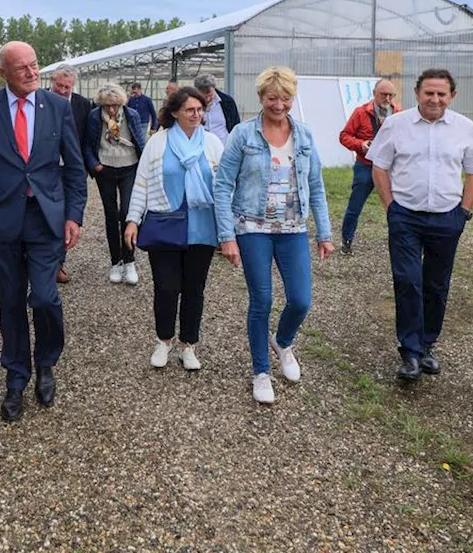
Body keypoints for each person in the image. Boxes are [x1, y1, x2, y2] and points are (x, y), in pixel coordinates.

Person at [0, 42, 87, 423]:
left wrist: (73, 216)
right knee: (10, 302)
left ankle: (46, 362)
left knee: (45, 297)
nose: (31, 73)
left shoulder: (57, 107)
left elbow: (74, 169)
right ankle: (16, 377)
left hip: (46, 220)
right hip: (1, 222)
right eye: (22, 68)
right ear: (3, 73)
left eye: (34, 65)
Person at [215, 67, 334, 405]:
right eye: (272, 98)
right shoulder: (242, 134)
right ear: (261, 98)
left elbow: (316, 186)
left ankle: (282, 341)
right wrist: (227, 236)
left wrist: (324, 233)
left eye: (285, 98)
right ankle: (261, 371)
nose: (279, 105)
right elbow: (223, 185)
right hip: (253, 227)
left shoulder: (305, 136)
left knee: (300, 300)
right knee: (262, 301)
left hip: (293, 228)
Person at [367, 68, 473, 381]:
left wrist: (463, 212)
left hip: (447, 217)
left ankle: (427, 345)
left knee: (436, 284)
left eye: (441, 94)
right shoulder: (397, 125)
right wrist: (391, 207)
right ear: (417, 93)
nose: (434, 99)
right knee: (408, 280)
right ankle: (409, 352)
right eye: (429, 93)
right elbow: (379, 166)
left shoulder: (464, 128)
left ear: (452, 96)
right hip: (406, 215)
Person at [124, 87, 224, 371]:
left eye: (200, 110)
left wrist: (229, 230)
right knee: (166, 287)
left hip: (202, 227)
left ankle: (189, 345)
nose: (196, 114)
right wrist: (133, 219)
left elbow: (227, 185)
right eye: (190, 110)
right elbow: (141, 182)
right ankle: (164, 340)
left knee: (195, 288)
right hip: (165, 223)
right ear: (176, 112)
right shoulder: (158, 142)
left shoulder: (213, 143)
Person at [83, 83, 147, 284]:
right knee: (110, 214)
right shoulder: (94, 117)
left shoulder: (132, 115)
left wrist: (144, 167)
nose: (111, 109)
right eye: (107, 105)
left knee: (128, 213)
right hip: (106, 170)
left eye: (115, 105)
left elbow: (140, 141)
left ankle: (129, 261)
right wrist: (95, 166)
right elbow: (87, 144)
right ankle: (116, 262)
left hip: (129, 168)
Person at [337, 79, 400, 255]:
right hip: (366, 165)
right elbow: (344, 136)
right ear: (374, 94)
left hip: (389, 168)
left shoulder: (398, 113)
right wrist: (361, 144)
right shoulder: (360, 113)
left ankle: (401, 241)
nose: (387, 98)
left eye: (390, 95)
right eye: (383, 94)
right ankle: (346, 240)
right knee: (355, 206)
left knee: (397, 206)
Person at [49, 65, 94, 283]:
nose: (63, 90)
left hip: (71, 169)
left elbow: (86, 138)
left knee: (68, 215)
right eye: (59, 85)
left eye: (67, 87)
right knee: (47, 214)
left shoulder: (82, 105)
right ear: (51, 82)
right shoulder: (40, 101)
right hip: (46, 169)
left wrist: (86, 166)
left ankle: (58, 263)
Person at [193, 74, 241, 145]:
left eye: (210, 95)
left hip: (224, 147)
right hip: (199, 147)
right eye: (204, 97)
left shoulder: (227, 102)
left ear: (214, 88)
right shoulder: (191, 104)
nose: (208, 99)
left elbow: (236, 126)